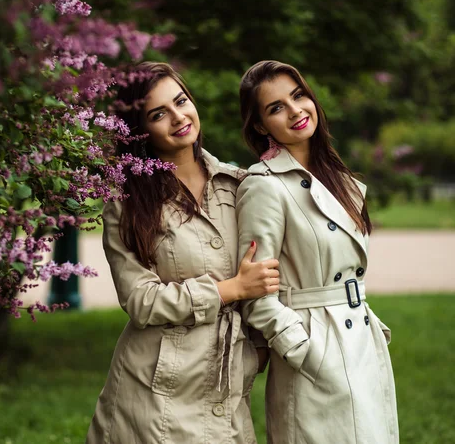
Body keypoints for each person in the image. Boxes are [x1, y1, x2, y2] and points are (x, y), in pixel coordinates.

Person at [86, 62, 280, 443]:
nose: (178, 118)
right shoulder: (127, 203)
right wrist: (230, 290)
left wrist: (258, 349)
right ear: (140, 129)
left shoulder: (242, 184)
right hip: (154, 391)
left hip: (226, 387)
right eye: (158, 114)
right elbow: (140, 299)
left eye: (181, 101)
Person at [236, 60, 398, 443]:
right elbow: (256, 290)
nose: (295, 111)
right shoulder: (265, 185)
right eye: (276, 107)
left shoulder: (341, 181)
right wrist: (302, 349)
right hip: (314, 351)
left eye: (298, 96)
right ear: (260, 125)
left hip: (360, 341)